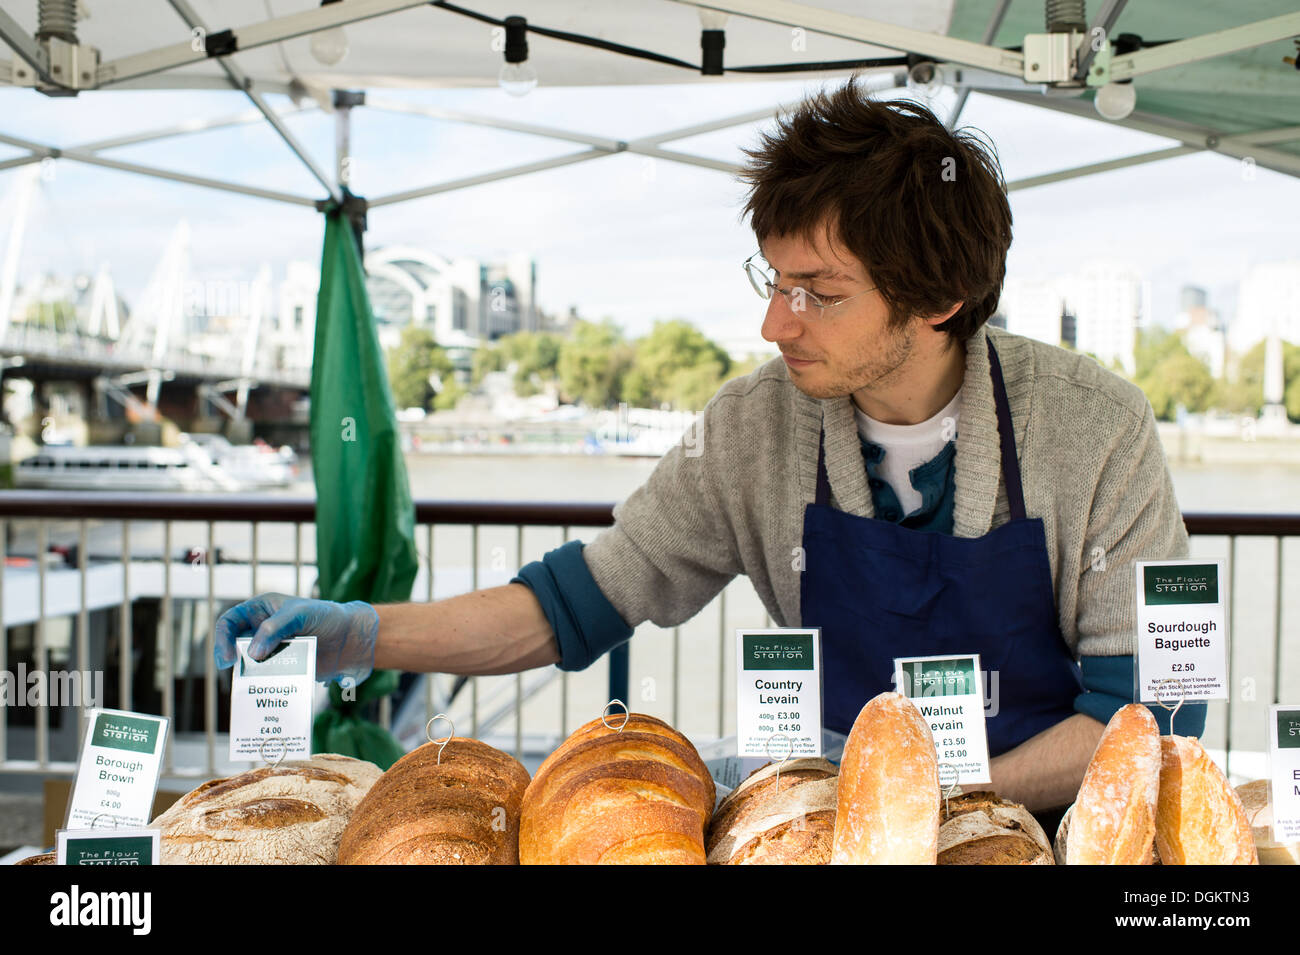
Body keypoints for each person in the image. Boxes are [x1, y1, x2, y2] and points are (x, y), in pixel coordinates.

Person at [215, 76, 1204, 812]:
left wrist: (938, 792)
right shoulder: (755, 425)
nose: (777, 324)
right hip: (832, 838)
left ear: (939, 299)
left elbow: (1147, 718)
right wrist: (362, 631)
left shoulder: (1092, 427)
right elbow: (570, 604)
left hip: (1051, 837)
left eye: (817, 291)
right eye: (771, 280)